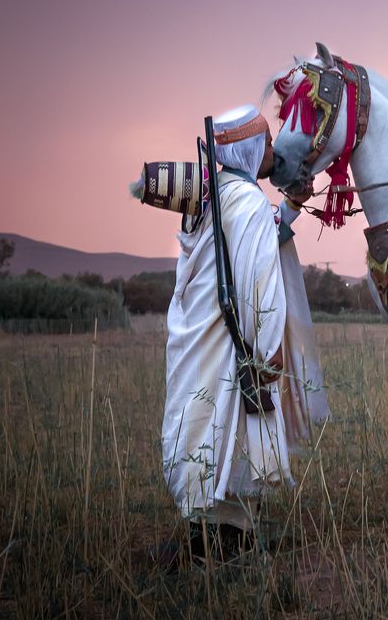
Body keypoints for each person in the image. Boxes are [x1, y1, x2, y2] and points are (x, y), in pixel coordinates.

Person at [159, 104, 329, 565]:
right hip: (234, 341)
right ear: (253, 149)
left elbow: (252, 244)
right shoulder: (248, 201)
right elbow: (256, 280)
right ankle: (225, 548)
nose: (273, 151)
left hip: (200, 339)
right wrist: (267, 348)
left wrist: (291, 206)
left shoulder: (215, 195)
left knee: (209, 429)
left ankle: (214, 540)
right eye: (268, 143)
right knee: (232, 430)